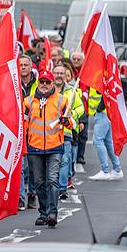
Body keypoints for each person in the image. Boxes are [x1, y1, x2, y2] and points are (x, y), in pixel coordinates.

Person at [24, 70, 70, 227]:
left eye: (47, 82)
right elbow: (22, 124)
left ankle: (52, 213)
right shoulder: (28, 102)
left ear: (52, 83)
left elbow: (71, 123)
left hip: (55, 146)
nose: (44, 85)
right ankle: (43, 213)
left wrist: (67, 122)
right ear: (38, 83)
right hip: (34, 147)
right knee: (38, 182)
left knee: (52, 180)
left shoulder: (62, 100)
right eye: (42, 81)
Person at [52, 65, 83, 201]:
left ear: (65, 75)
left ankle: (62, 188)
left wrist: (71, 116)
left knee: (64, 161)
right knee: (52, 162)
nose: (59, 76)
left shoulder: (71, 91)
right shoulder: (47, 89)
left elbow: (80, 107)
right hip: (49, 133)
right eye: (56, 73)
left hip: (66, 132)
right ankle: (52, 188)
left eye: (61, 73)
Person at [88, 87, 124, 181]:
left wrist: (100, 108)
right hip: (104, 113)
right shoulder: (100, 75)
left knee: (98, 141)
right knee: (108, 142)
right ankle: (117, 169)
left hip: (102, 113)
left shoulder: (100, 75)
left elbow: (105, 91)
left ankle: (105, 171)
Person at [18, 55, 38, 210]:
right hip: (18, 128)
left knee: (32, 166)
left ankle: (32, 194)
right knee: (20, 165)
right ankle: (19, 197)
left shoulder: (38, 84)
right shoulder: (13, 81)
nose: (23, 67)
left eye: (26, 64)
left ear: (31, 67)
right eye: (21, 64)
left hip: (35, 130)